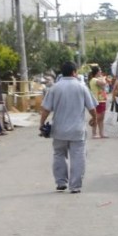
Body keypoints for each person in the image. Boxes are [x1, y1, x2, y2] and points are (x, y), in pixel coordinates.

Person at [39, 62, 97, 193]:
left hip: (58, 130)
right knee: (78, 157)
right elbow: (92, 108)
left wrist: (41, 123)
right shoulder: (82, 87)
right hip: (77, 131)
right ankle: (75, 186)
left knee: (59, 154)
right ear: (74, 72)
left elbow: (46, 109)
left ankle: (60, 182)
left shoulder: (54, 88)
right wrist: (94, 119)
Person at [87, 65, 109, 138]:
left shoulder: (98, 79)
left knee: (101, 118)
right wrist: (103, 78)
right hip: (97, 101)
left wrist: (103, 79)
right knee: (97, 118)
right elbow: (104, 84)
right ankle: (94, 133)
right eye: (100, 71)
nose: (101, 72)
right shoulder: (94, 80)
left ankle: (101, 133)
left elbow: (104, 86)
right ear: (97, 72)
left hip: (102, 100)